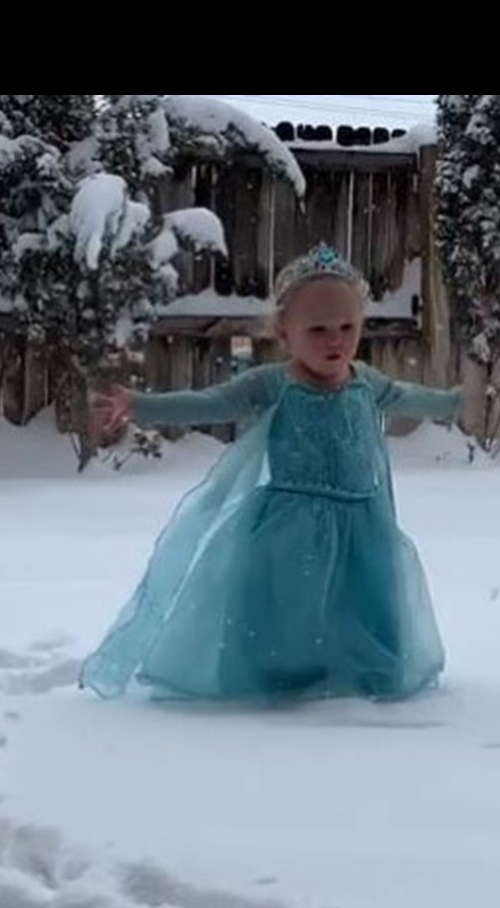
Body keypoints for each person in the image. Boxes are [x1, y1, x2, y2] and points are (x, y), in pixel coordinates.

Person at [80, 244, 463, 702]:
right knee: (289, 609)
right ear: (284, 331)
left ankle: (362, 676)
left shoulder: (366, 381)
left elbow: (403, 395)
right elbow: (212, 402)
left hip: (363, 526)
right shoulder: (273, 384)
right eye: (317, 329)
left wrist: (450, 403)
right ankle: (280, 682)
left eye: (347, 327)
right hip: (290, 527)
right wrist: (141, 405)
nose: (335, 341)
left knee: (361, 605)